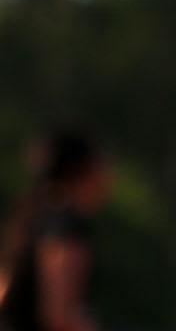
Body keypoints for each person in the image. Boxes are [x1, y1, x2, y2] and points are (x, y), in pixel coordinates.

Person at [0, 128, 109, 331]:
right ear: (83, 171)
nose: (108, 179)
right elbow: (58, 315)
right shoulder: (65, 224)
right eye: (103, 168)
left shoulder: (31, 215)